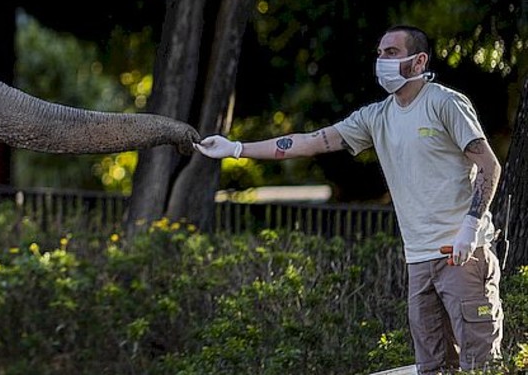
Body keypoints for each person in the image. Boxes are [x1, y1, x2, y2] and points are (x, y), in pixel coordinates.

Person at [195, 25, 503, 374]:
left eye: (391, 52)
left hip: (462, 256)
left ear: (418, 62)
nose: (381, 60)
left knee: (480, 366)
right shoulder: (376, 117)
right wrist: (235, 149)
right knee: (433, 368)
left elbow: (489, 166)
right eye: (379, 52)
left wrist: (470, 228)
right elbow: (310, 142)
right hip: (419, 260)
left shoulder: (445, 103)